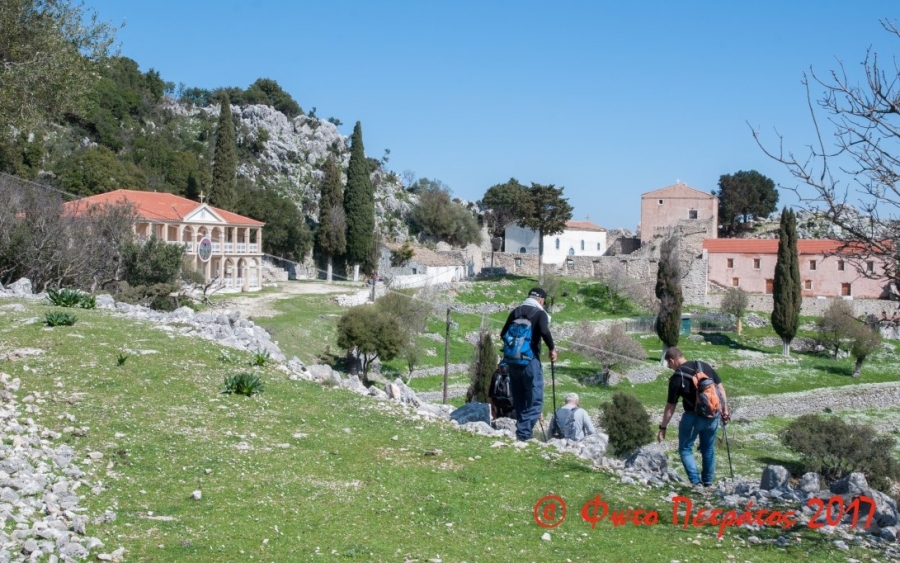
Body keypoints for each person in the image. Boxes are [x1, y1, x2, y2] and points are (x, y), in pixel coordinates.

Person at [657, 347, 729, 487]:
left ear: (672, 360)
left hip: (692, 418)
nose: (671, 368)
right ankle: (708, 482)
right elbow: (720, 388)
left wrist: (663, 427)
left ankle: (696, 483)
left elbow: (670, 406)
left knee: (685, 449)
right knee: (708, 449)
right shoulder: (704, 366)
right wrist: (725, 410)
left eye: (669, 364)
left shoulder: (677, 377)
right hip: (713, 416)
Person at [500, 287, 558, 441]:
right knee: (535, 401)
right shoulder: (540, 314)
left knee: (520, 399)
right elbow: (545, 331)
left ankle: (523, 433)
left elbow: (502, 333)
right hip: (530, 363)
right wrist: (552, 348)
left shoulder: (516, 311)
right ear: (541, 300)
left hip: (513, 363)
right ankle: (524, 434)